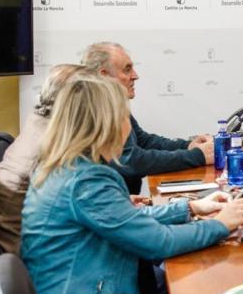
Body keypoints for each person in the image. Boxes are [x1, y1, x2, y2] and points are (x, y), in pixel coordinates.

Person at [20, 74, 243, 294]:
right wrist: (222, 225)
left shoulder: (65, 168)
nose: (128, 126)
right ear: (103, 122)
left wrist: (190, 207)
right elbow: (158, 243)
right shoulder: (87, 181)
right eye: (122, 115)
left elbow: (125, 221)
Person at [81, 42, 214, 194]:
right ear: (103, 75)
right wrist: (197, 156)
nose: (135, 76)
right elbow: (132, 161)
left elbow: (144, 141)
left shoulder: (113, 105)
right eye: (127, 69)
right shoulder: (97, 111)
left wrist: (188, 146)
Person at [0, 64, 88, 253]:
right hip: (32, 259)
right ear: (76, 104)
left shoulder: (38, 125)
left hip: (19, 248)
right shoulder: (52, 147)